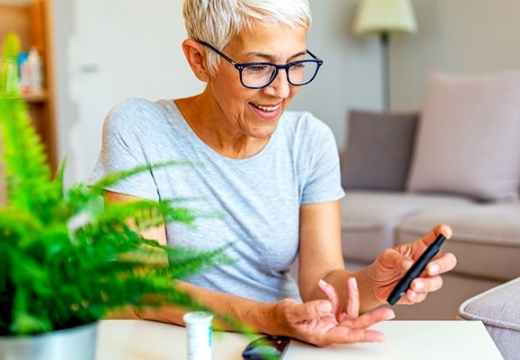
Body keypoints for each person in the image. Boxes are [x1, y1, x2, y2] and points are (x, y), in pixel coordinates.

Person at [91, 0, 456, 346]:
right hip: (176, 344)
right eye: (257, 67)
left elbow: (322, 283)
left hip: (278, 343)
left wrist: (375, 284)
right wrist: (268, 318)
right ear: (199, 60)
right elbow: (146, 290)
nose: (281, 89)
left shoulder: (309, 140)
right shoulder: (140, 128)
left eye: (296, 64)